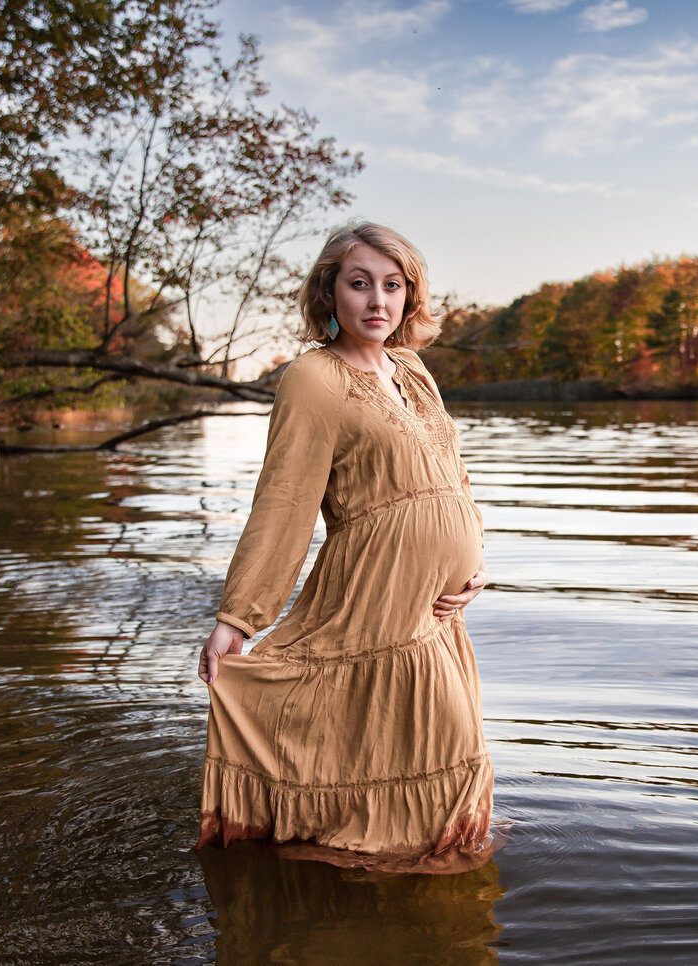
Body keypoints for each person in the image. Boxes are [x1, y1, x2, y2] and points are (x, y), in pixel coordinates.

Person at [196, 222, 494, 873]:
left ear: (409, 296)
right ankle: (333, 875)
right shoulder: (313, 378)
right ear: (330, 292)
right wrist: (238, 618)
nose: (377, 301)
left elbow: (452, 476)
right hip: (374, 593)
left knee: (453, 756)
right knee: (410, 753)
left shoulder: (413, 370)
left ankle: (406, 899)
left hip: (441, 610)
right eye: (360, 284)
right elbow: (284, 503)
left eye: (393, 285)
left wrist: (475, 567)